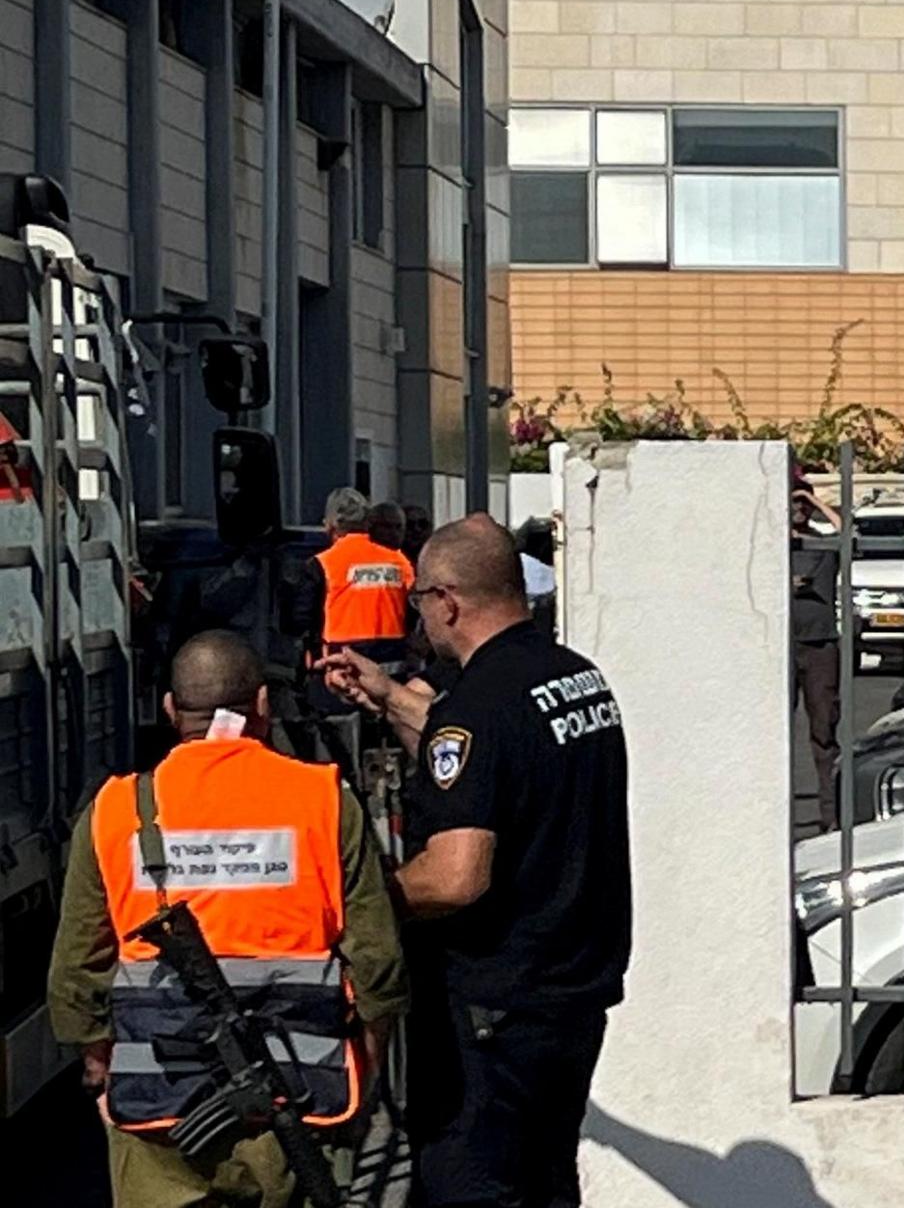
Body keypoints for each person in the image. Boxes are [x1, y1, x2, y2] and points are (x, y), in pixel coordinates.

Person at [320, 515, 630, 1208]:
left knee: (471, 1183)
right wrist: (389, 697)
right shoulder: (575, 679)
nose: (418, 615)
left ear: (448, 601)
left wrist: (361, 902)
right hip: (573, 993)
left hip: (494, 1004)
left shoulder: (480, 706)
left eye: (419, 599)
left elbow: (457, 876)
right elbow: (489, 764)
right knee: (548, 1180)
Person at [46, 630, 406, 1208]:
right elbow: (378, 963)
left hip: (156, 1105)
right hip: (296, 1096)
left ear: (169, 709)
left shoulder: (115, 810)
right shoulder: (324, 801)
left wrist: (99, 1066)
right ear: (263, 705)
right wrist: (367, 1068)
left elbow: (74, 971)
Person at [788, 477, 846, 830]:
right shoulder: (772, 545)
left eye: (802, 504)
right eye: (792, 503)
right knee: (776, 734)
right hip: (782, 645)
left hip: (820, 645)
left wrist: (815, 499)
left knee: (824, 733)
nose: (798, 509)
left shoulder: (823, 545)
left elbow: (848, 533)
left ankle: (831, 817)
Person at [311, 487, 413, 666]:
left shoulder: (323, 563)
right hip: (392, 662)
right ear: (367, 523)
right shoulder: (398, 560)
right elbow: (416, 605)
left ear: (330, 525)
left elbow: (300, 619)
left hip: (341, 659)